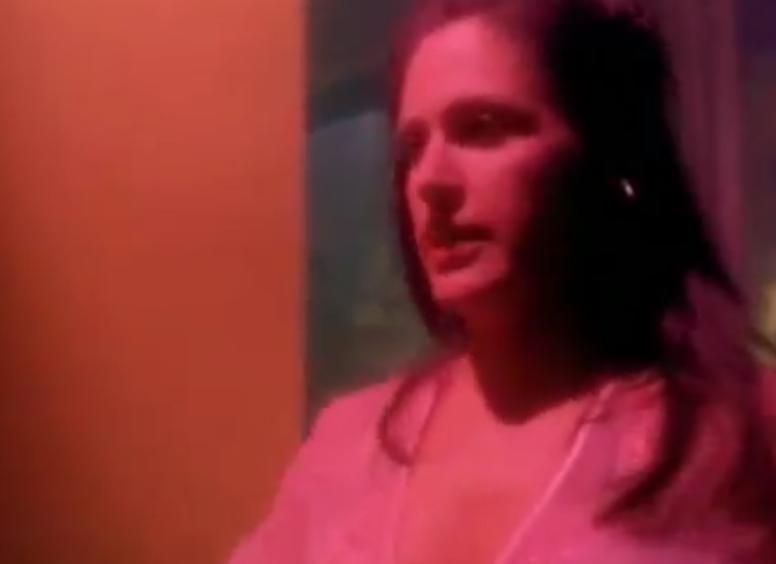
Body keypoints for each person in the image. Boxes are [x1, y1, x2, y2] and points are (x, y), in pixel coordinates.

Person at [230, 0, 776, 561]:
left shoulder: (741, 435)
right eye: (413, 148)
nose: (430, 181)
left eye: (482, 129)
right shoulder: (350, 447)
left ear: (608, 153)